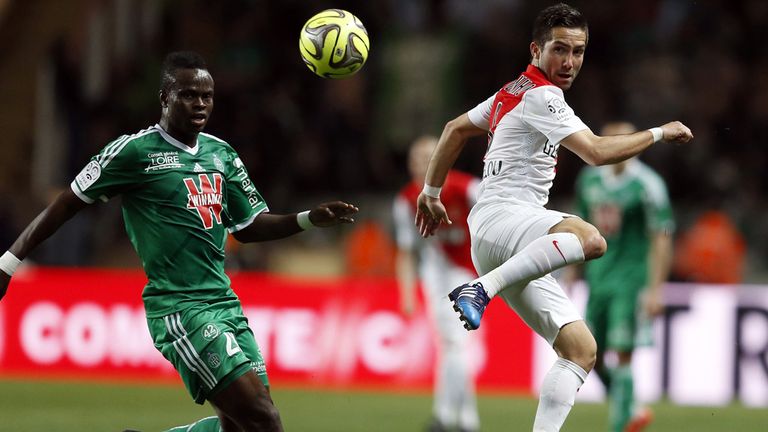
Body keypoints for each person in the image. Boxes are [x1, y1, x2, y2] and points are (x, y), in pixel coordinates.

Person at [0, 51, 358, 432]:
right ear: (164, 99)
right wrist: (9, 261)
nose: (200, 103)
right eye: (189, 94)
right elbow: (67, 203)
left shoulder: (221, 153)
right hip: (180, 308)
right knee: (264, 420)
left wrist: (307, 219)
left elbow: (249, 227)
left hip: (225, 303)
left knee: (239, 426)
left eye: (207, 96)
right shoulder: (134, 152)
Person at [414, 4, 693, 431]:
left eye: (578, 51)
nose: (570, 61)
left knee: (581, 350)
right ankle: (480, 289)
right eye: (560, 49)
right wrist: (660, 133)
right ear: (536, 49)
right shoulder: (542, 95)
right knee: (591, 239)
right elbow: (597, 152)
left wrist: (430, 192)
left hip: (500, 239)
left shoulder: (513, 91)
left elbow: (454, 129)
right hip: (507, 220)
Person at [572, 121, 674, 432]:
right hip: (598, 277)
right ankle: (631, 406)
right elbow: (578, 223)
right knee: (591, 355)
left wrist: (656, 289)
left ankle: (621, 424)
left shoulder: (647, 184)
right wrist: (573, 268)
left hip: (630, 279)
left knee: (624, 352)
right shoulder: (589, 179)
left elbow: (662, 236)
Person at [394, 135, 480, 432]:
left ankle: (446, 417)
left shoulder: (465, 187)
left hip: (467, 272)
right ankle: (465, 420)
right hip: (434, 273)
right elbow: (406, 252)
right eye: (415, 158)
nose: (420, 164)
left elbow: (497, 212)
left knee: (455, 344)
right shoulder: (405, 200)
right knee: (453, 345)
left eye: (427, 157)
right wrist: (407, 293)